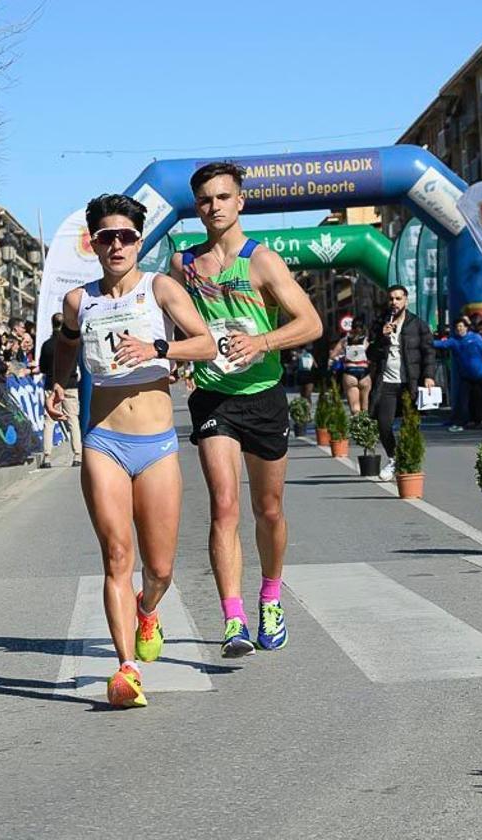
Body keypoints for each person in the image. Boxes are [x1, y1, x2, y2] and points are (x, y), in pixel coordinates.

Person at [45, 193, 215, 707]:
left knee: (159, 568)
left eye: (125, 236)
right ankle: (126, 669)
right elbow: (68, 344)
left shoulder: (160, 289)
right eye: (106, 237)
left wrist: (158, 349)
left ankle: (148, 610)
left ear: (139, 241)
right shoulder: (79, 301)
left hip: (157, 444)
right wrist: (58, 385)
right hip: (104, 442)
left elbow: (205, 343)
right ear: (93, 243)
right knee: (118, 555)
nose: (116, 244)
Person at [169, 162, 322, 657]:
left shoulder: (264, 262)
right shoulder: (183, 265)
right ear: (198, 208)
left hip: (264, 395)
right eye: (205, 200)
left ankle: (271, 596)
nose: (213, 207)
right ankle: (233, 619)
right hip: (214, 396)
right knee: (224, 506)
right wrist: (177, 356)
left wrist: (261, 341)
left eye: (222, 198)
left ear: (241, 202)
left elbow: (311, 323)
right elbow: (176, 322)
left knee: (269, 509)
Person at [366, 284, 435, 481]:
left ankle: (409, 461)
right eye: (391, 299)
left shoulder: (417, 324)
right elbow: (371, 353)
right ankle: (393, 458)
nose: (394, 302)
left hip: (409, 383)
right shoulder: (381, 323)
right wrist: (381, 338)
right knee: (384, 424)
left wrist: (429, 376)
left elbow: (428, 352)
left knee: (410, 426)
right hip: (387, 382)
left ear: (406, 300)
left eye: (398, 298)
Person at [434, 318, 482, 432]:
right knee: (463, 400)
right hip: (467, 376)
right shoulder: (454, 341)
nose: (459, 329)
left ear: (466, 327)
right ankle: (463, 422)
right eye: (457, 327)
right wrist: (424, 340)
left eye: (461, 326)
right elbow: (440, 344)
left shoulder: (476, 338)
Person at [38, 312, 82, 468]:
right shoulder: (73, 344)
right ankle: (77, 455)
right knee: (73, 419)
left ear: (52, 324)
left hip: (51, 385)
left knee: (49, 422)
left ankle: (47, 457)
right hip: (70, 383)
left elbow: (42, 367)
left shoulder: (47, 345)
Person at [333, 318, 371, 416]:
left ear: (352, 326)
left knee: (355, 409)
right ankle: (365, 429)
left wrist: (342, 358)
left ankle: (356, 427)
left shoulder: (345, 340)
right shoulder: (366, 340)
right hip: (364, 371)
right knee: (365, 407)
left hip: (350, 372)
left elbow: (333, 355)